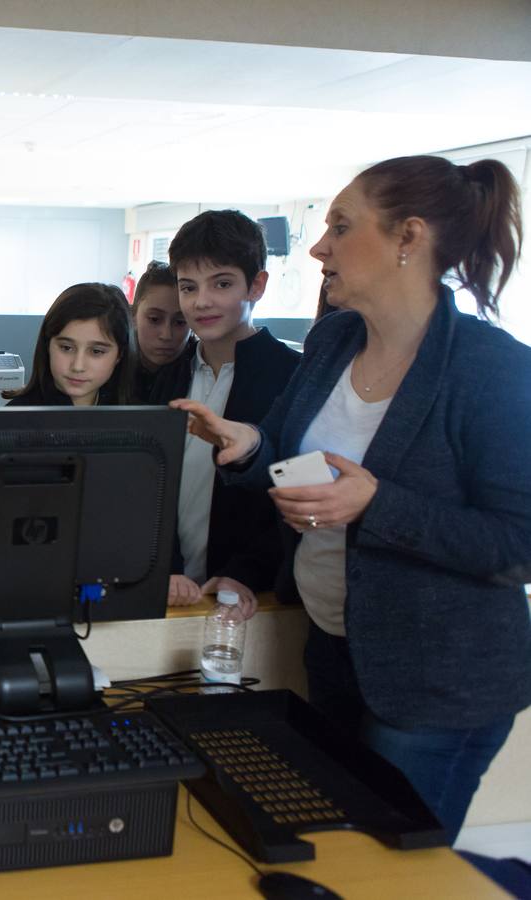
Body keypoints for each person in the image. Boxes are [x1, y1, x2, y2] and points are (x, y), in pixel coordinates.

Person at [173, 155, 531, 841]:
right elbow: (286, 448)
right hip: (335, 650)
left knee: (390, 867)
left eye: (340, 225)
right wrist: (246, 444)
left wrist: (377, 505)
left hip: (437, 685)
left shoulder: (493, 368)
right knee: (334, 847)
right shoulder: (334, 339)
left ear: (408, 238)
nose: (318, 246)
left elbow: (519, 542)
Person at [150, 211, 300, 609]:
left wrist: (248, 570)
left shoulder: (292, 376)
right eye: (188, 286)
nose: (201, 301)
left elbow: (293, 493)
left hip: (247, 592)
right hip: (172, 584)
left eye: (221, 283)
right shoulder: (168, 376)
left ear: (257, 285)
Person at [4, 282, 135, 406]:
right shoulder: (16, 419)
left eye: (96, 351)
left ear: (119, 354)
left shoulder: (137, 416)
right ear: (47, 345)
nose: (78, 366)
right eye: (66, 348)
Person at [130, 261, 193, 403]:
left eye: (180, 322)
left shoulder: (199, 370)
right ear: (133, 316)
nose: (166, 335)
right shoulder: (110, 363)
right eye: (154, 319)